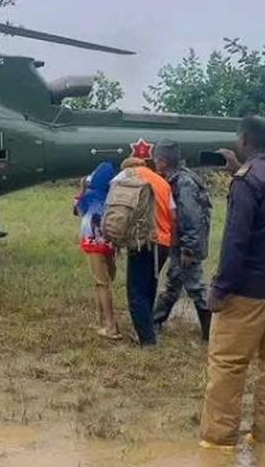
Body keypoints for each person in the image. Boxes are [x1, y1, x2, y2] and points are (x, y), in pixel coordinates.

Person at [200, 116, 265, 450]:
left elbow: (236, 241)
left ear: (243, 141)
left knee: (228, 364)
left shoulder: (247, 181)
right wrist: (237, 174)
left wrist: (220, 288)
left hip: (246, 292)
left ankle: (218, 440)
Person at [150, 140, 214, 342]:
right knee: (174, 282)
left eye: (156, 160)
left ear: (162, 161)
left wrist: (189, 249)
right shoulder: (177, 179)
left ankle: (211, 331)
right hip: (181, 243)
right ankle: (156, 321)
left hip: (187, 245)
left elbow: (191, 218)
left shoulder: (183, 183)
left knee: (195, 286)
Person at [115, 156, 173, 346]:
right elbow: (173, 214)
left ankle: (147, 340)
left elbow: (115, 203)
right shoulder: (162, 182)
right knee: (149, 288)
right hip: (164, 243)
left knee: (136, 292)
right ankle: (148, 331)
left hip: (143, 242)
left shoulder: (128, 175)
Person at [75, 161, 120, 339]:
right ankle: (100, 320)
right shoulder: (112, 196)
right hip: (109, 244)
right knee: (104, 281)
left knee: (102, 284)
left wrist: (81, 187)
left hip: (93, 244)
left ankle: (110, 327)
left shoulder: (89, 195)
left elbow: (77, 210)